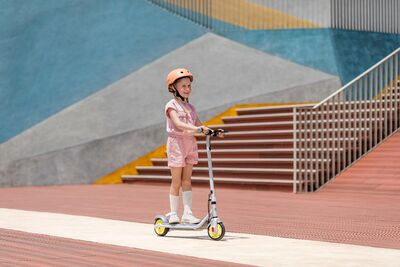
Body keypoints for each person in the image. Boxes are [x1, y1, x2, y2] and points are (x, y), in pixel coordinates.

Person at [164, 68, 218, 224]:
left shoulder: (191, 108)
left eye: (189, 86)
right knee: (176, 181)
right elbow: (178, 123)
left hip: (189, 143)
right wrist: (197, 129)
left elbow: (200, 124)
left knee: (187, 180)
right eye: (183, 86)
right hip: (176, 143)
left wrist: (213, 132)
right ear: (173, 88)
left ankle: (187, 213)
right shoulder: (171, 105)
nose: (187, 89)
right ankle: (174, 213)